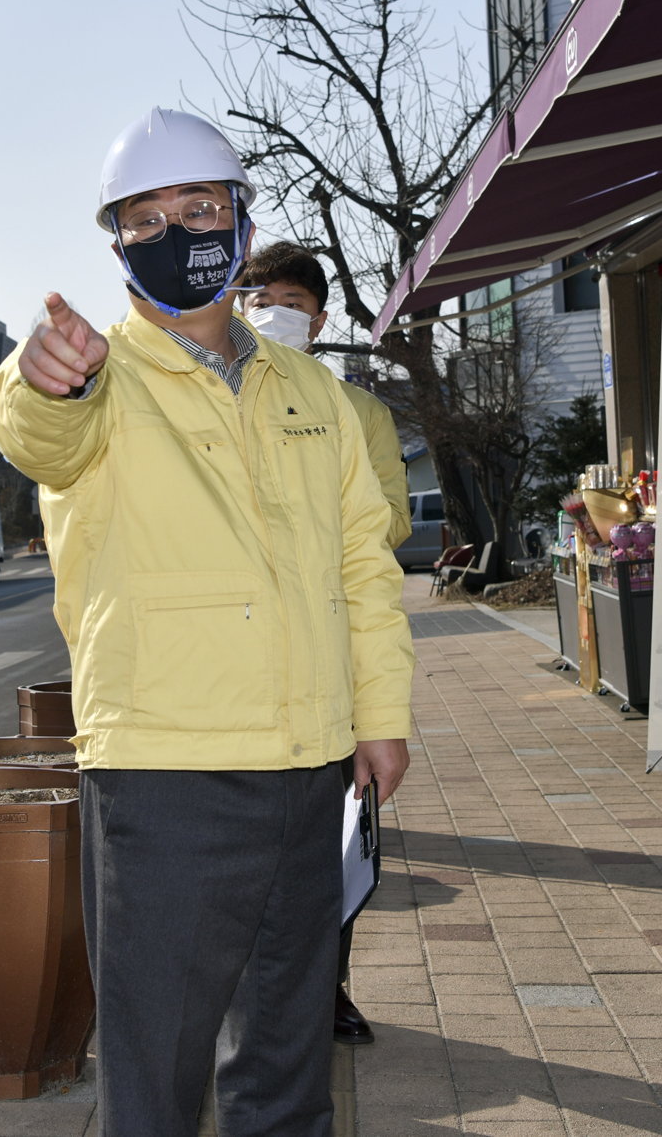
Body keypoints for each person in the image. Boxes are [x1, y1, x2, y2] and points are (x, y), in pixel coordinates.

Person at [0, 107, 414, 1137]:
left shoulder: (312, 390)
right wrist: (47, 375)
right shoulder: (96, 377)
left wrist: (379, 712)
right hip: (165, 776)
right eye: (148, 219)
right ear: (116, 242)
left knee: (285, 1058)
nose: (180, 231)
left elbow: (361, 560)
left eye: (200, 206)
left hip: (307, 767)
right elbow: (36, 428)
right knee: (158, 1073)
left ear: (238, 216)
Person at [238, 240, 410, 1049]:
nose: (275, 316)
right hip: (240, 671)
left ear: (320, 319)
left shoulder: (357, 412)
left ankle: (327, 985)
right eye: (261, 300)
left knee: (341, 849)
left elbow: (390, 527)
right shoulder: (214, 401)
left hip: (335, 668)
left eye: (293, 307)